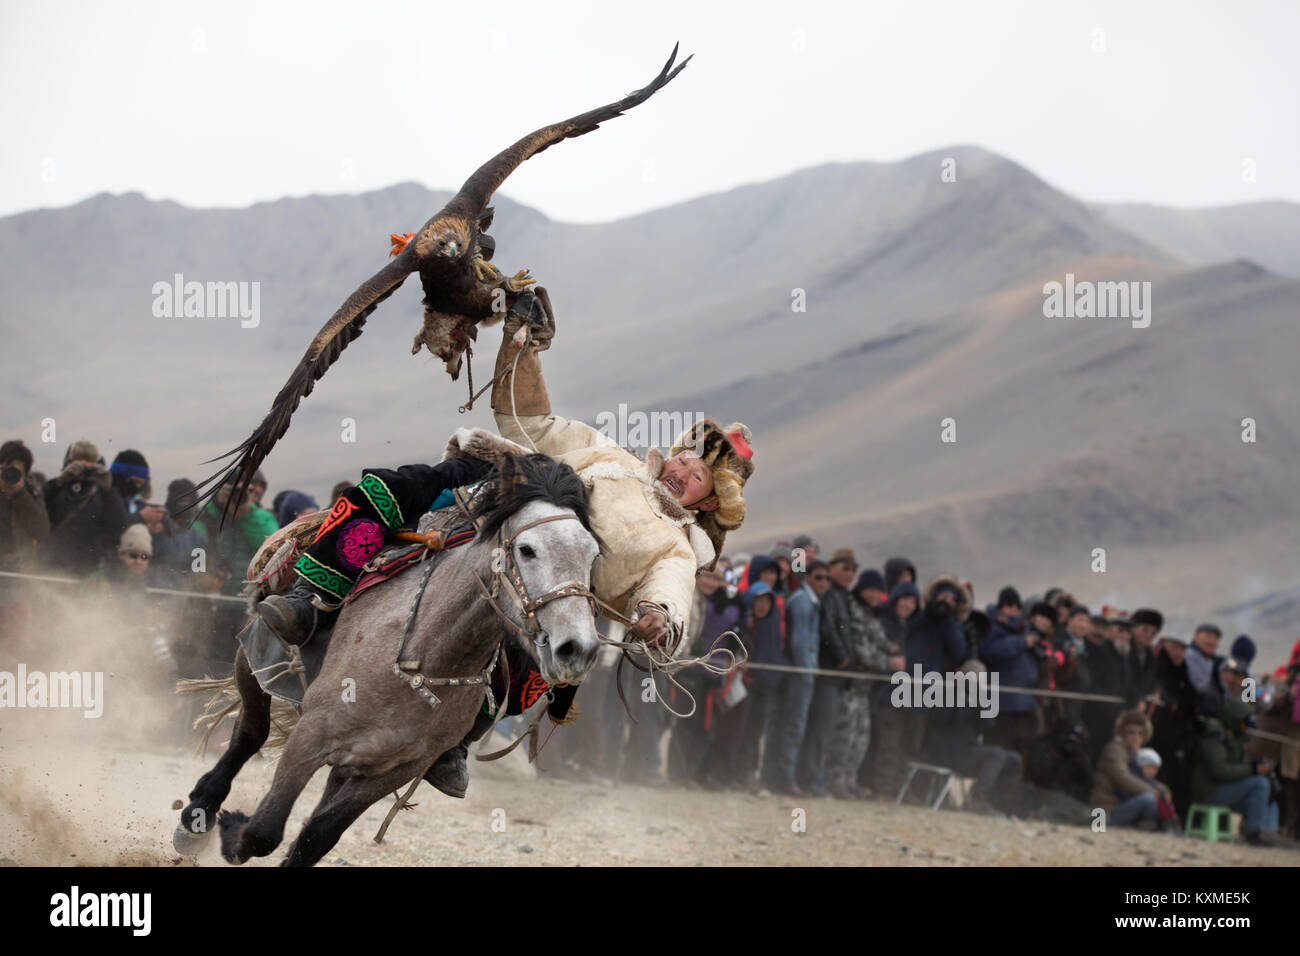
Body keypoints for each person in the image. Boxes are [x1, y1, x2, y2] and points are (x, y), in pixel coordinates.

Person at [479, 290, 754, 796]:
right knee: (420, 488)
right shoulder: (608, 454)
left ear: (710, 504)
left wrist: (658, 616)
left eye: (698, 478)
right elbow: (533, 425)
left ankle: (456, 743)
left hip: (553, 610)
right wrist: (524, 350)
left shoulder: (678, 547)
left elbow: (671, 591)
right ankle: (316, 601)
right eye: (684, 461)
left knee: (514, 677)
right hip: (500, 549)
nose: (681, 473)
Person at [795, 548, 857, 794]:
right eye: (845, 568)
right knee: (818, 729)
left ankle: (812, 779)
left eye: (853, 569)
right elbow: (828, 629)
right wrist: (842, 656)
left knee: (824, 729)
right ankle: (808, 780)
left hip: (834, 674)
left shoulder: (842, 596)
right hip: (828, 671)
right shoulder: (829, 595)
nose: (849, 573)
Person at [766, 559, 829, 796]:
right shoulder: (803, 602)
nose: (824, 582)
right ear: (809, 578)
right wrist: (806, 673)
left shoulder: (810, 601)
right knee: (793, 725)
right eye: (819, 577)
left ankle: (782, 776)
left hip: (802, 673)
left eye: (827, 578)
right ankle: (784, 778)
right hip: (800, 674)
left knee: (791, 724)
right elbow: (800, 641)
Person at [1190, 696, 1284, 846]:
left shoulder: (1234, 735)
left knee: (1270, 798)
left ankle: (1268, 834)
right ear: (1234, 719)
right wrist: (1252, 769)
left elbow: (1234, 765)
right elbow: (1219, 770)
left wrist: (1256, 766)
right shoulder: (1214, 735)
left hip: (1226, 789)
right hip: (1210, 790)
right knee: (1260, 784)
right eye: (1244, 724)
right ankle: (1254, 834)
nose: (1247, 729)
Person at [42, 441, 128, 577]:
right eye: (78, 460)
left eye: (88, 460)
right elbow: (41, 511)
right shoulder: (57, 487)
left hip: (88, 568)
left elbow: (119, 526)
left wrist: (108, 489)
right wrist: (59, 482)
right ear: (69, 462)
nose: (83, 464)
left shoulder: (103, 492)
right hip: (53, 562)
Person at [0, 440, 50, 649]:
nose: (9, 475)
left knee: (17, 640)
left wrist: (19, 494)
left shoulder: (31, 493)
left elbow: (42, 531)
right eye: (5, 468)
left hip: (17, 577)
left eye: (16, 472)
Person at [1090, 709, 1174, 830]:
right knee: (1149, 799)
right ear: (1123, 732)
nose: (1136, 737)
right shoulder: (1114, 750)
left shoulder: (1134, 753)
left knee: (1156, 798)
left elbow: (1144, 778)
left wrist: (1162, 790)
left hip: (1121, 805)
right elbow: (1123, 779)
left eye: (1140, 733)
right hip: (1107, 810)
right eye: (1131, 732)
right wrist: (1154, 792)